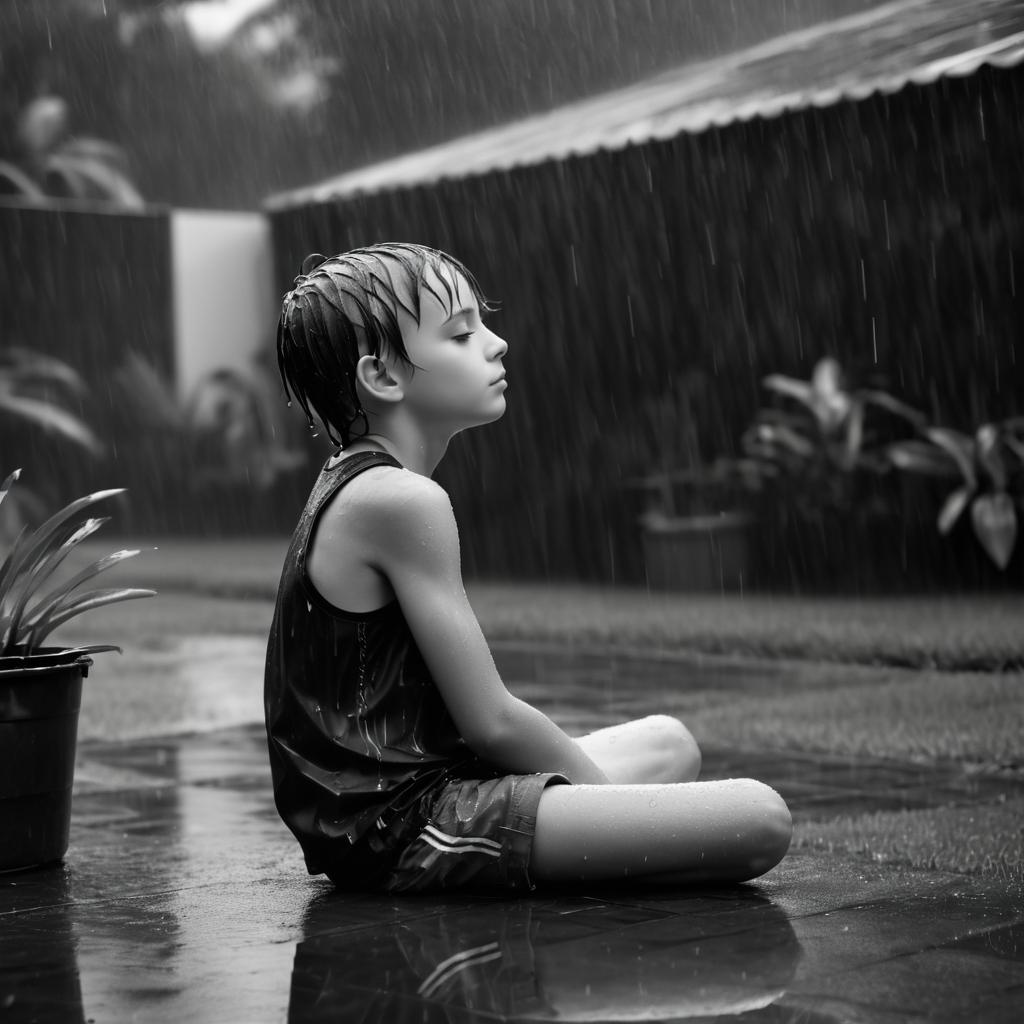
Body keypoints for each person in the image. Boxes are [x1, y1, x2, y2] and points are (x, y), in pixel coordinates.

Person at [265, 242, 791, 894]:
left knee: (670, 742)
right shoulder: (400, 501)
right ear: (384, 378)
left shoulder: (363, 485)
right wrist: (603, 804)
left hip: (418, 788)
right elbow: (492, 722)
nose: (497, 343)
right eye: (461, 333)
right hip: (393, 825)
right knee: (762, 820)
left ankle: (577, 828)